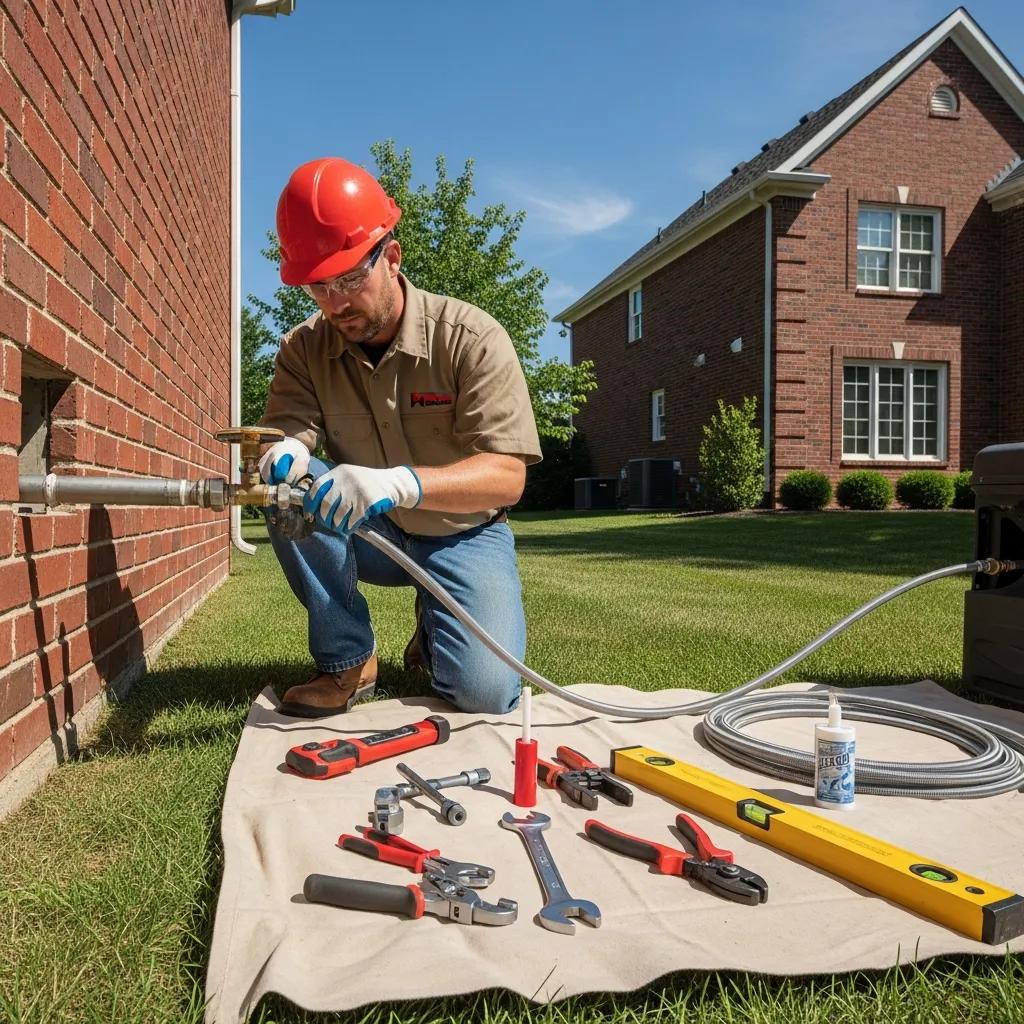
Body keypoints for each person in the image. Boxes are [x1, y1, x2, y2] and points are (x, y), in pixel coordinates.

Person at [258, 157, 542, 718]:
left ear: (391, 256)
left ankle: (436, 620)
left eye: (349, 279)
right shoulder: (302, 349)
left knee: (484, 695)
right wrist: (286, 449)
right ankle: (347, 662)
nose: (335, 303)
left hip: (463, 535)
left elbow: (508, 476)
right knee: (289, 491)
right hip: (370, 531)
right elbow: (286, 429)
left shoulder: (471, 338)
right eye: (318, 287)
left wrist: (402, 483)